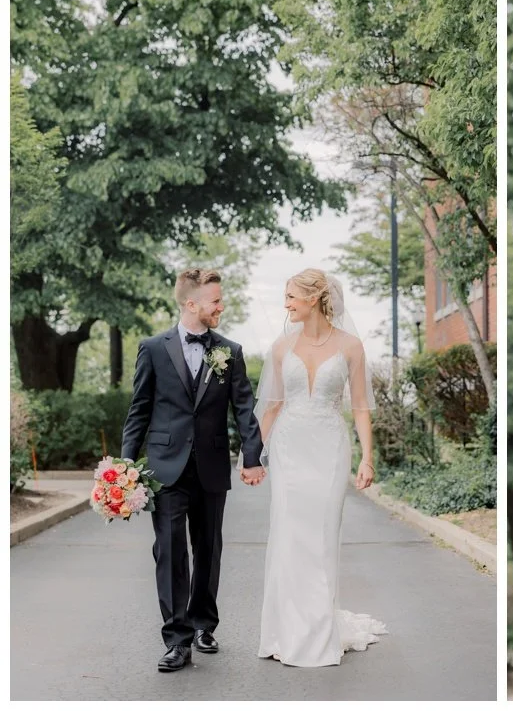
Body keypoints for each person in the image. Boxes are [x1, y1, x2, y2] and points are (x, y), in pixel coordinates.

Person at [121, 268, 265, 672]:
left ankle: (204, 623)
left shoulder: (230, 351)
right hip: (166, 468)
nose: (222, 306)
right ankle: (177, 639)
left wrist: (252, 456)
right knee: (169, 553)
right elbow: (140, 410)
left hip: (212, 465)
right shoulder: (152, 348)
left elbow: (244, 409)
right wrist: (124, 466)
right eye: (215, 300)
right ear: (191, 304)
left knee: (208, 549)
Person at [254, 268, 388, 665]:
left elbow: (361, 406)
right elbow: (273, 406)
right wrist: (251, 456)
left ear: (313, 298)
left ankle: (318, 631)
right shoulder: (281, 347)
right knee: (289, 537)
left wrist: (367, 457)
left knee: (322, 537)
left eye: (291, 296)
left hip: (330, 448)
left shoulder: (350, 347)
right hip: (289, 449)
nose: (286, 304)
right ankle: (286, 631)